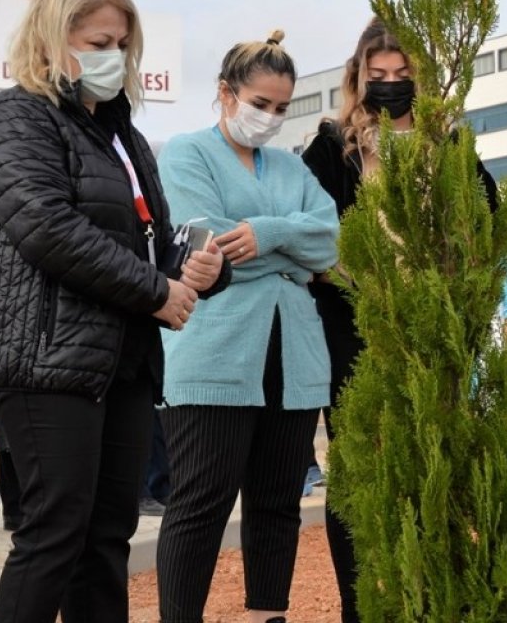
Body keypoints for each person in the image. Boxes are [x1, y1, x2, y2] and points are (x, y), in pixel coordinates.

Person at [0, 0, 227, 619]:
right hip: (46, 363)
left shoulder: (125, 139)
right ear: (49, 39)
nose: (115, 57)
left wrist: (198, 267)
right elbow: (46, 228)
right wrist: (157, 291)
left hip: (123, 363)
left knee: (106, 542)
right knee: (52, 535)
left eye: (123, 45)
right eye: (98, 43)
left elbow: (151, 240)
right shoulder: (14, 119)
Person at [300, 17, 500, 623]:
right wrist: (362, 285)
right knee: (358, 474)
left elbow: (487, 219)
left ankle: (434, 598)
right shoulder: (332, 146)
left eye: (403, 75)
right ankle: (360, 607)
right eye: (378, 75)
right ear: (358, 77)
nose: (390, 86)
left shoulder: (450, 145)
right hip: (354, 331)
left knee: (436, 465)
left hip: (432, 332)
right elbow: (312, 238)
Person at [154, 30, 340, 623]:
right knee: (200, 503)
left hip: (295, 355)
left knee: (279, 501)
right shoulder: (185, 153)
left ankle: (268, 615)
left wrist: (271, 235)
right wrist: (293, 251)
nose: (271, 117)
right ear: (226, 93)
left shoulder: (290, 165)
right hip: (214, 352)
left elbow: (333, 239)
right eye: (260, 103)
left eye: (282, 108)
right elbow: (205, 238)